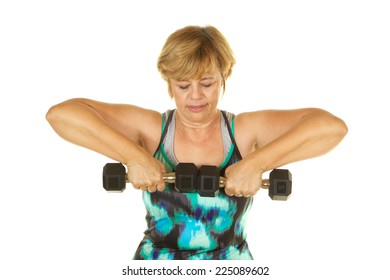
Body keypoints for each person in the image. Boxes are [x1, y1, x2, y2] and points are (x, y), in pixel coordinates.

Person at [46, 25, 348, 260]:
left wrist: (255, 163)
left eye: (207, 83)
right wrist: (133, 156)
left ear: (224, 77)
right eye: (183, 85)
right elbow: (61, 115)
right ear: (168, 83)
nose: (195, 96)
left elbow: (331, 129)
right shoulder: (153, 130)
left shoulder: (242, 131)